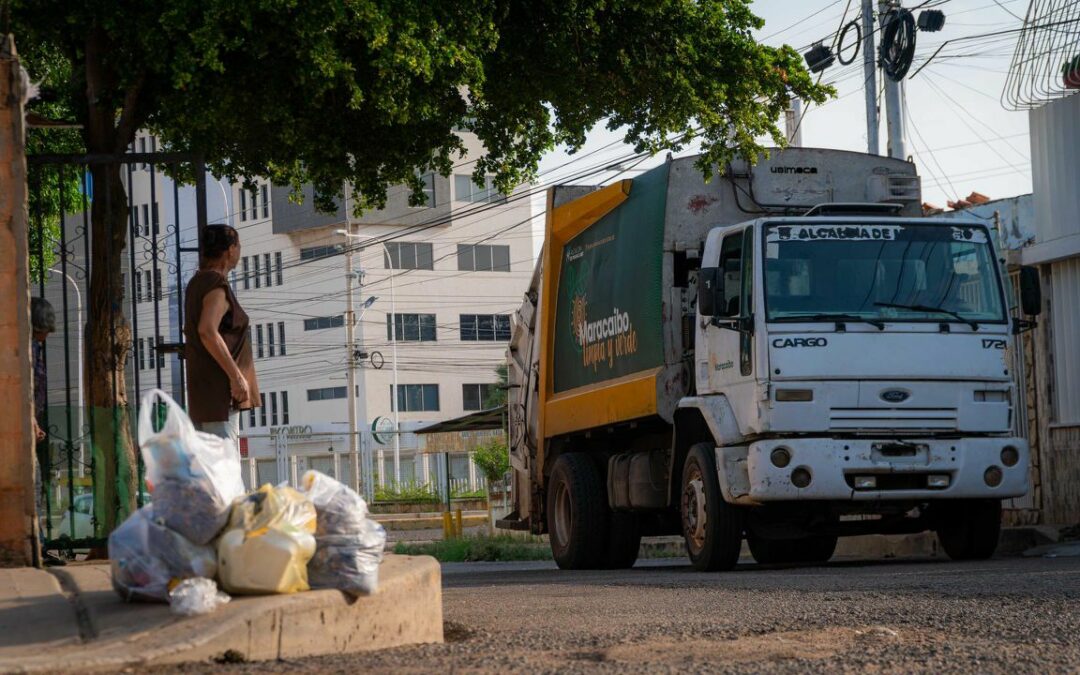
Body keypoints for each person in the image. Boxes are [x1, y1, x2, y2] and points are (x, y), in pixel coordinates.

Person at [183, 224, 259, 449]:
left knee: (210, 469)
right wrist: (236, 377)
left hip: (204, 392)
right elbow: (207, 330)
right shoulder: (215, 283)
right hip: (219, 394)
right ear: (230, 250)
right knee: (223, 469)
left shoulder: (197, 283)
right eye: (238, 245)